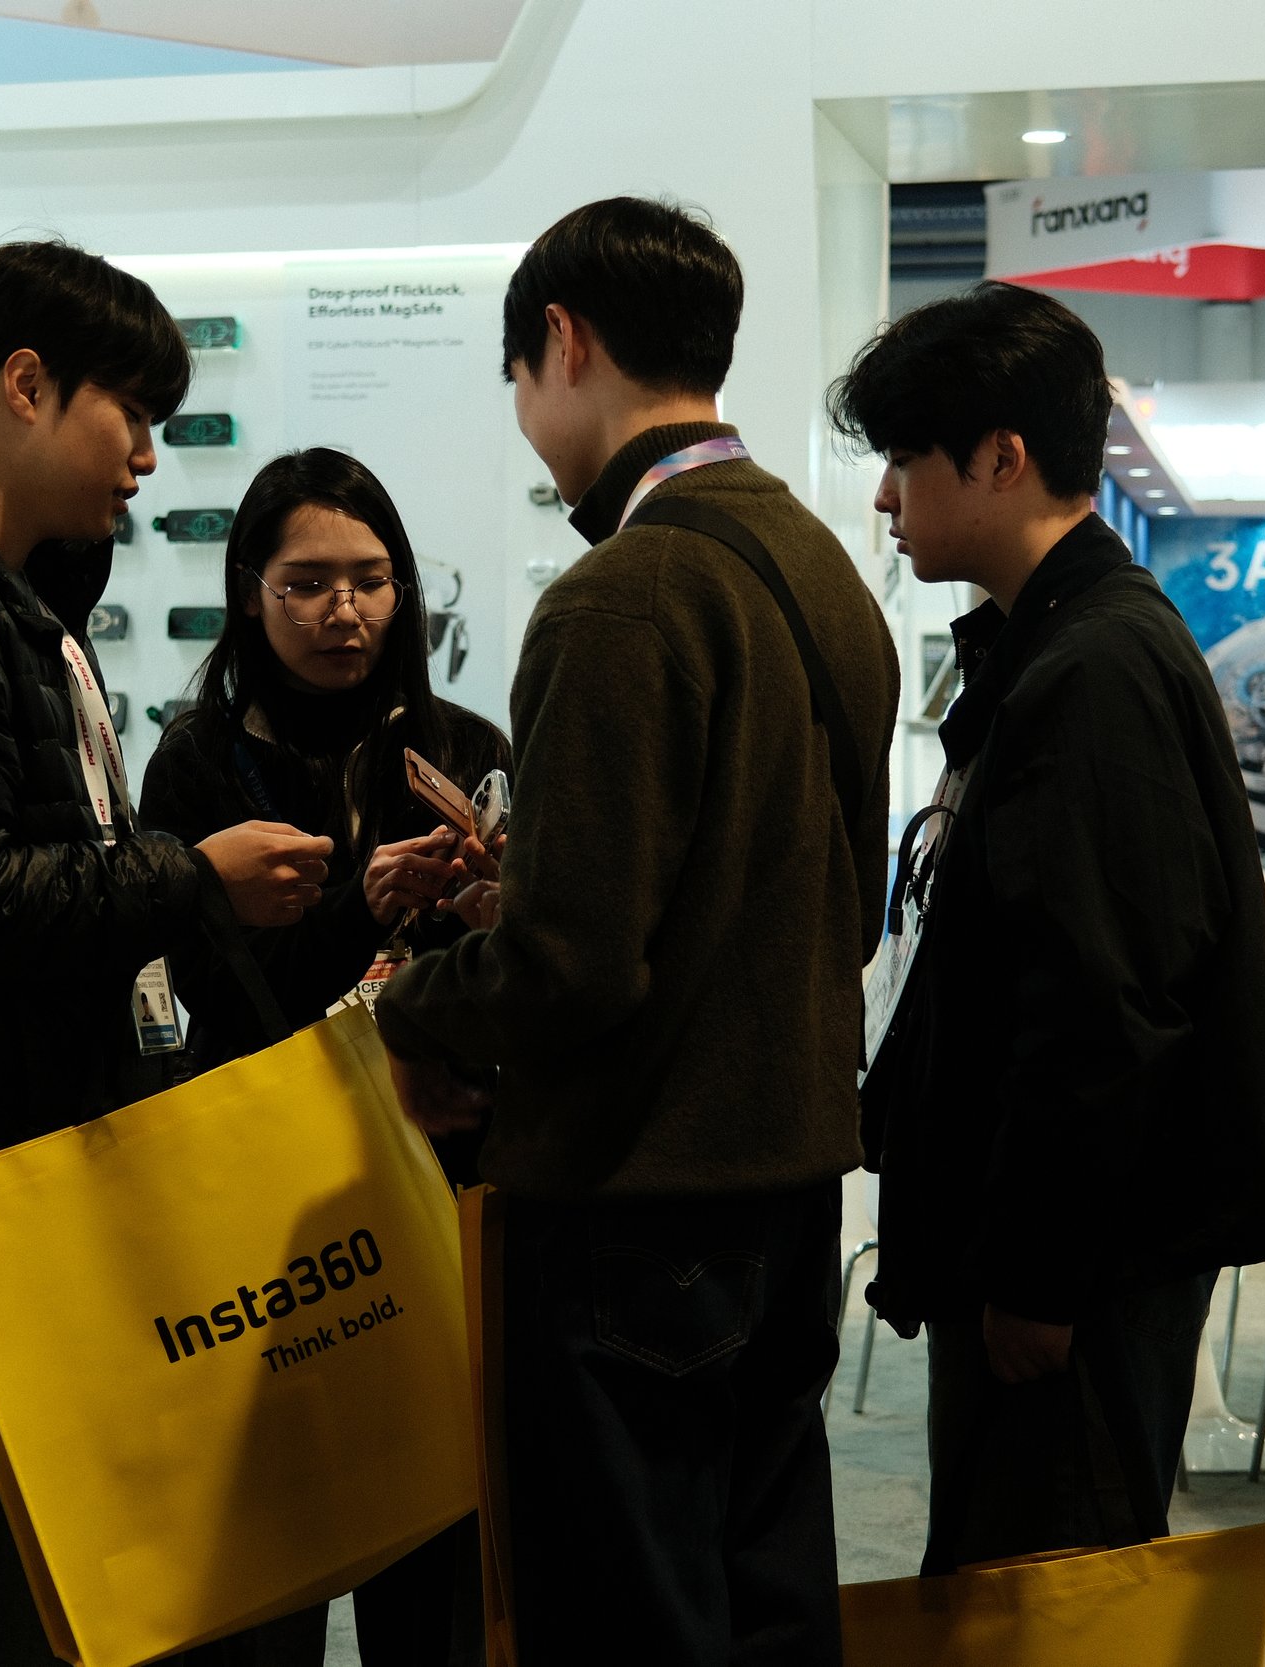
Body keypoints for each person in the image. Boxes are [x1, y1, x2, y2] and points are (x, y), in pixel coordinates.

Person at [0, 239, 336, 1666]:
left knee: (55, 1576)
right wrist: (192, 878)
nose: (148, 458)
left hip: (35, 1158)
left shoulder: (4, 604)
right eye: (129, 415)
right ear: (24, 385)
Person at [373, 196, 901, 1665]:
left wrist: (413, 1009)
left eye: (520, 377)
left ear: (564, 341)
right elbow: (823, 902)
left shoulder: (623, 593)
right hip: (791, 1180)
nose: (529, 416)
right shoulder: (822, 567)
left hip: (633, 1206)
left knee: (626, 1611)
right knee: (767, 1585)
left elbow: (575, 961)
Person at [831, 281, 1265, 1576]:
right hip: (1068, 1249)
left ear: (1001, 456)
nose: (886, 498)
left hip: (1082, 1271)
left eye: (903, 458)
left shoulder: (1092, 667)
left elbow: (1105, 1003)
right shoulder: (1062, 640)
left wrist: (1037, 1275)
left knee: (1047, 1589)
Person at [139, 445, 509, 1667]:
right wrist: (360, 902)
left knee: (437, 1566)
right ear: (250, 588)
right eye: (305, 582)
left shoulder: (466, 744)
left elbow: (531, 979)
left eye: (369, 579)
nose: (340, 611)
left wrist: (481, 917)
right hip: (259, 1191)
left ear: (404, 592)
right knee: (264, 1571)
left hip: (434, 1175)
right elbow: (227, 1003)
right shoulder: (196, 765)